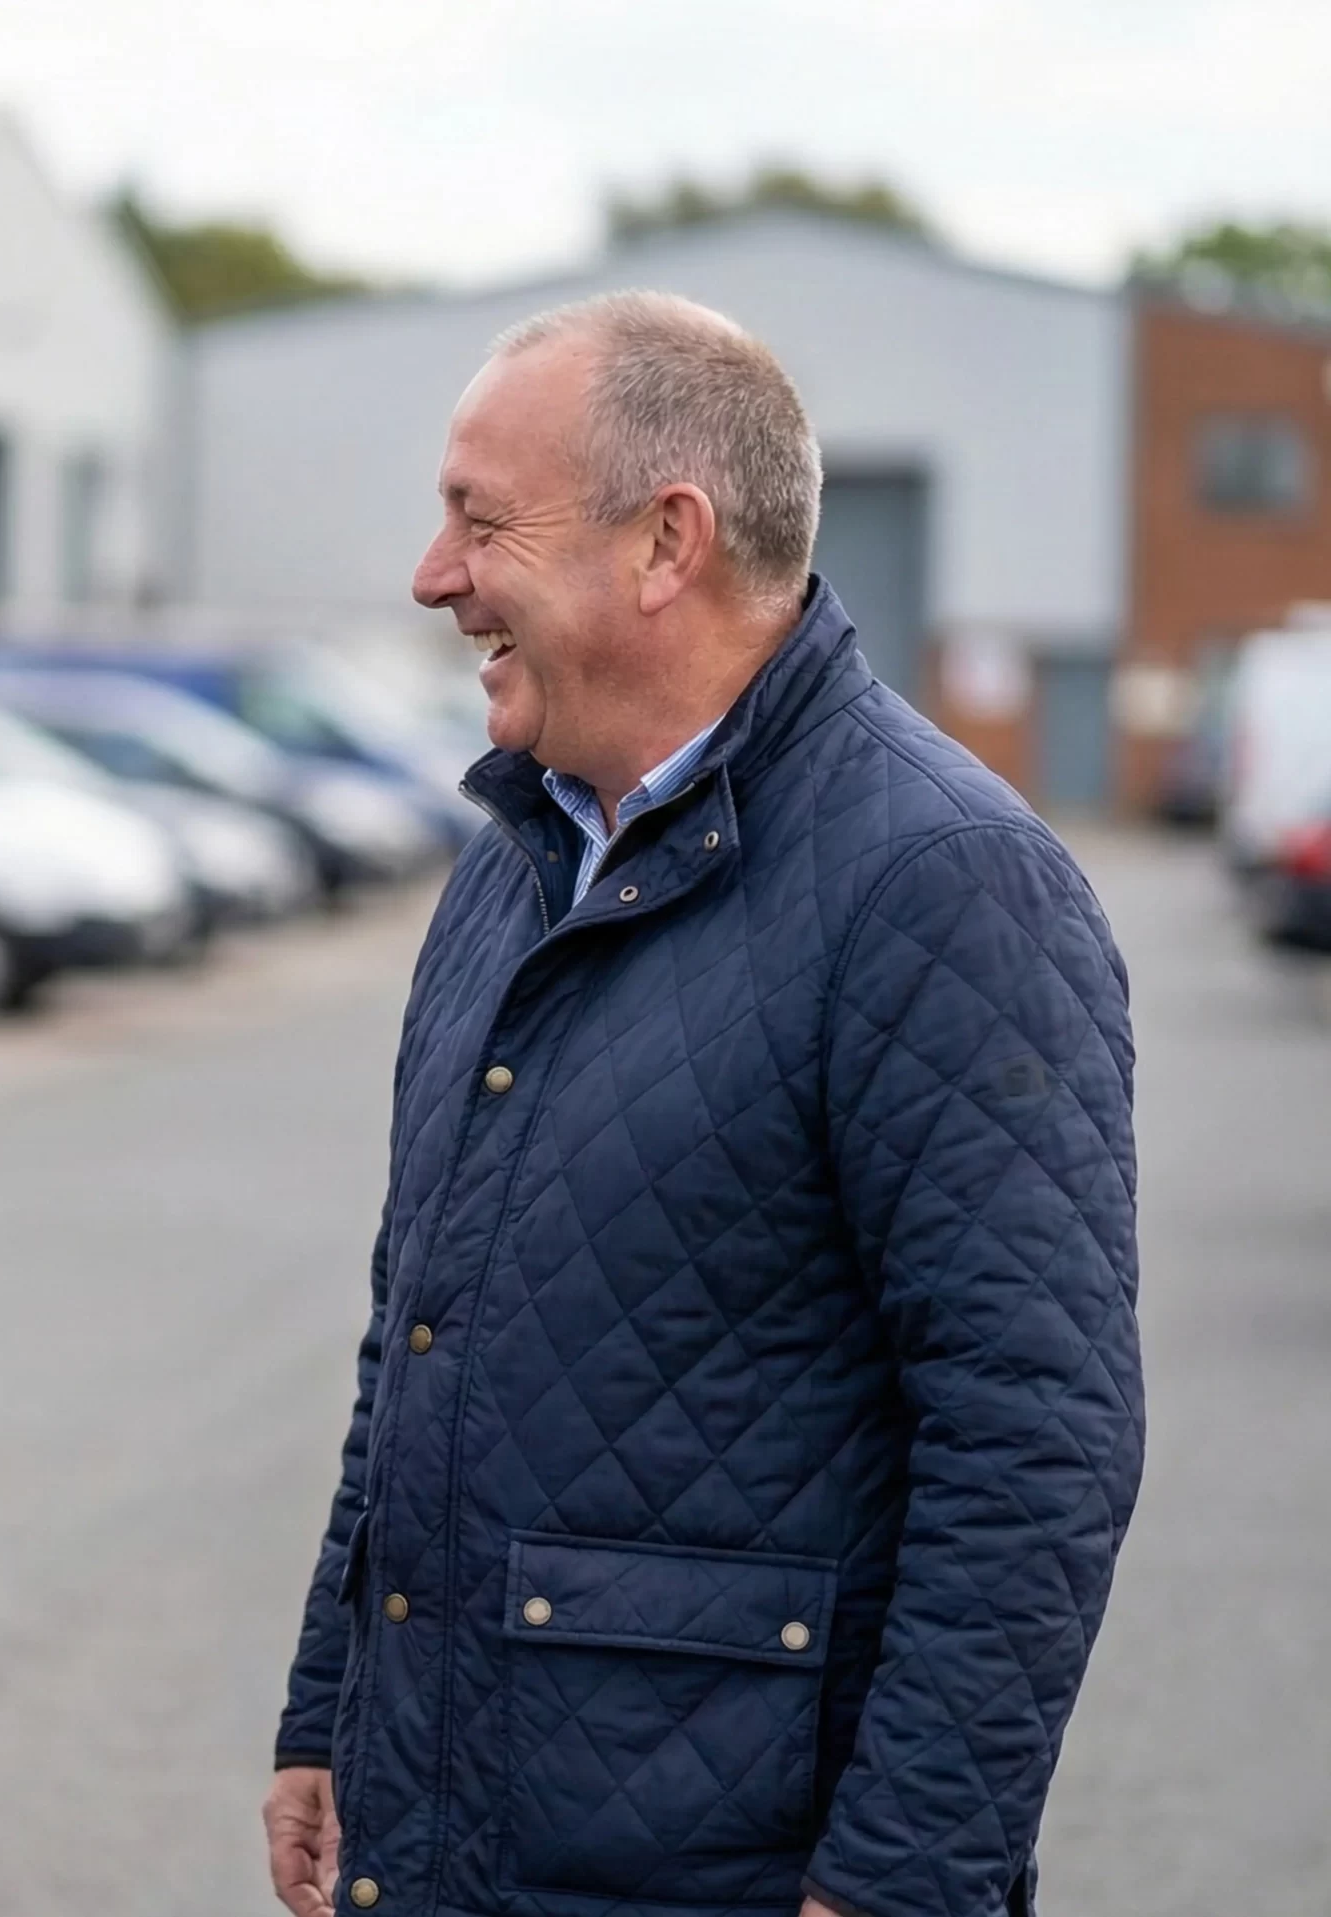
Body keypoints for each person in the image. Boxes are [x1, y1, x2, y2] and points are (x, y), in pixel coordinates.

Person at [263, 292, 1144, 1917]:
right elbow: (418, 1345)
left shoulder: (946, 886)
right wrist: (333, 1710)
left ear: (666, 540)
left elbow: (1035, 1449)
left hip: (730, 1872)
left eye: (479, 521)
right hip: (457, 1841)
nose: (430, 575)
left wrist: (898, 1885)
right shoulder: (512, 865)